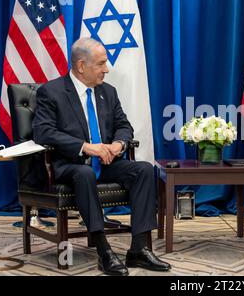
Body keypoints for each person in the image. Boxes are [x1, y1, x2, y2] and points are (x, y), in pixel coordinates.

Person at [33, 38, 171, 276]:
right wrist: (85, 147)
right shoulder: (52, 91)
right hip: (71, 165)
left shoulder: (108, 91)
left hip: (107, 163)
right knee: (85, 172)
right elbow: (43, 132)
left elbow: (123, 125)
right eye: (101, 64)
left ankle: (139, 248)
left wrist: (118, 143)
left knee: (145, 169)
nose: (106, 69)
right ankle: (103, 249)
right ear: (81, 65)